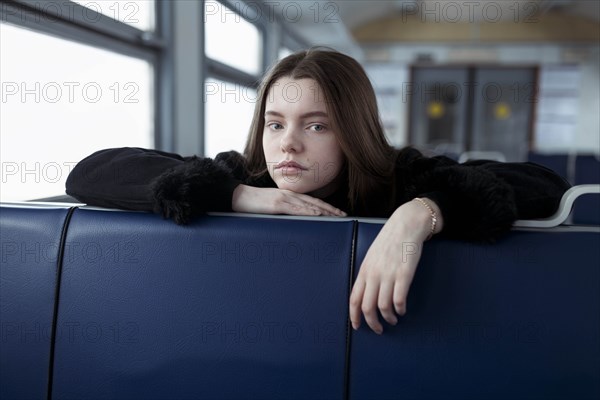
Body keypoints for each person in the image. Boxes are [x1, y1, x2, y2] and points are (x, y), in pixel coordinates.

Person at [65, 47, 571, 335]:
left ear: (352, 129)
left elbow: (543, 185)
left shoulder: (403, 177)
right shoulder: (241, 175)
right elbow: (90, 172)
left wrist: (419, 214)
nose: (288, 145)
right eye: (275, 123)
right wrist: (238, 196)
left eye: (316, 126)